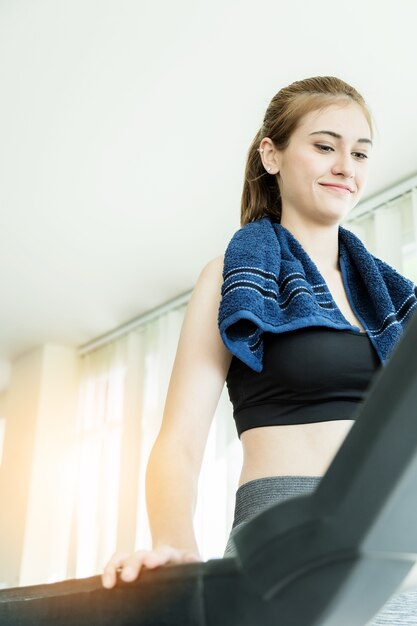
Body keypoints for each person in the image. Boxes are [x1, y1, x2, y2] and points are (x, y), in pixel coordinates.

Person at [101, 77, 417, 622]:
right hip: (285, 537)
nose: (347, 166)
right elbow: (178, 442)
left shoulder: (392, 297)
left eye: (360, 152)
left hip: (397, 552)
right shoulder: (230, 278)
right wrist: (178, 552)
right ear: (271, 155)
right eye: (325, 146)